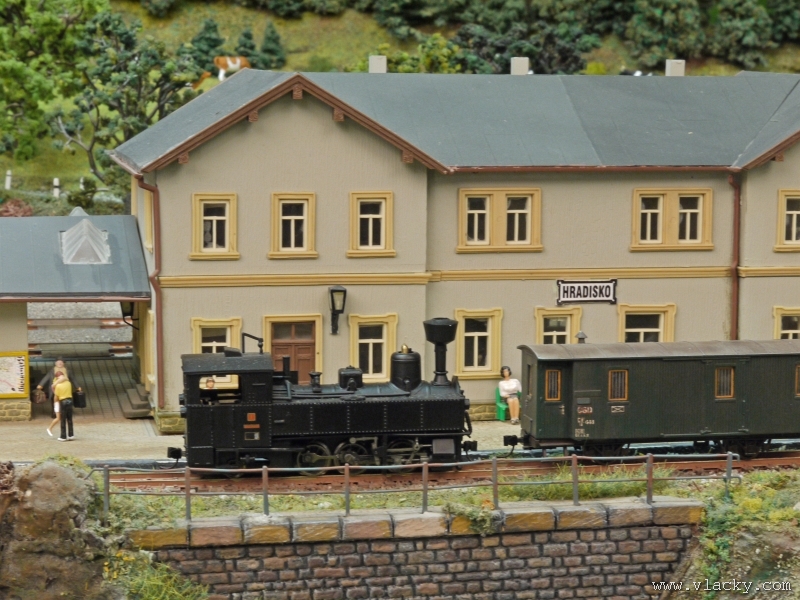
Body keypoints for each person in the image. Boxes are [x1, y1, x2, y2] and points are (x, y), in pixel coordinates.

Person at [53, 373, 75, 441]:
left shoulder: (58, 386)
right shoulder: (69, 383)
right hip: (70, 401)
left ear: (57, 378)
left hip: (63, 402)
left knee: (63, 419)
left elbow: (56, 397)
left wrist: (55, 403)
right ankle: (71, 435)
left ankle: (63, 436)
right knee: (70, 419)